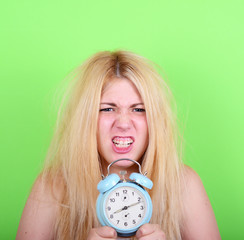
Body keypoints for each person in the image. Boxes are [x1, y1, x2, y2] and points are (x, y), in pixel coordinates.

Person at [16, 50, 221, 240]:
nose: (123, 123)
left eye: (139, 109)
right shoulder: (51, 188)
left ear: (155, 121)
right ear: (86, 118)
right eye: (107, 109)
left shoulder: (184, 185)